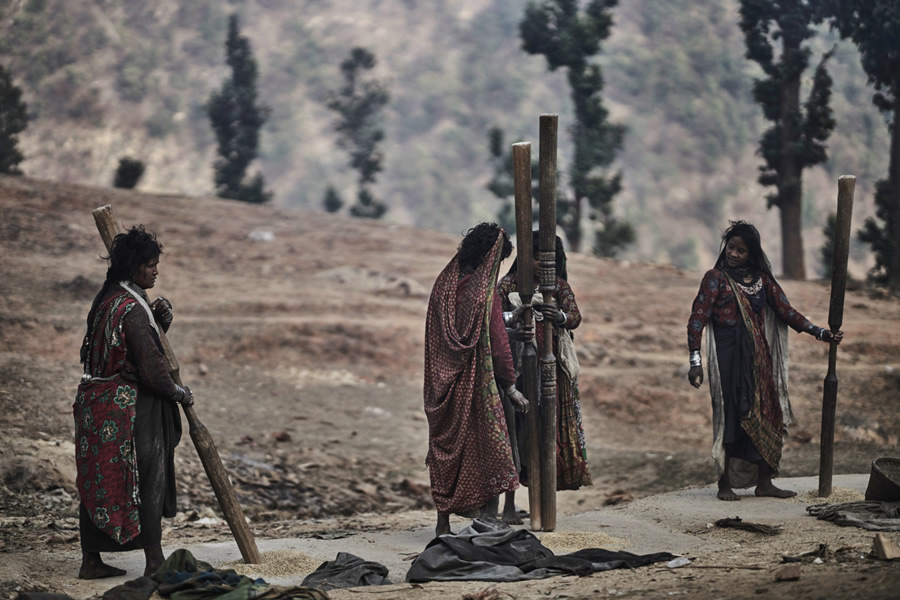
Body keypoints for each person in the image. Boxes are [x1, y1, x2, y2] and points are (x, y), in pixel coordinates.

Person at [687, 221, 843, 501]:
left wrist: (820, 332)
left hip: (759, 360)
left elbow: (786, 311)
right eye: (731, 248)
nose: (734, 254)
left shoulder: (762, 280)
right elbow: (697, 318)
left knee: (766, 414)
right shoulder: (715, 278)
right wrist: (695, 360)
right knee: (731, 416)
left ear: (752, 254)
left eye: (741, 250)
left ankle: (764, 482)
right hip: (727, 358)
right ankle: (725, 484)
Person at [74, 225, 193, 578]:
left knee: (98, 481)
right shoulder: (132, 310)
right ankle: (154, 561)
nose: (156, 271)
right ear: (134, 268)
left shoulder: (107, 300)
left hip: (96, 409)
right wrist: (179, 393)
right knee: (143, 480)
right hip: (129, 412)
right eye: (150, 265)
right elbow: (153, 371)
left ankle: (91, 560)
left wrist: (159, 325)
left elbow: (117, 351)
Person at [423, 222, 529, 536]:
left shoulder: (443, 285)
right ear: (491, 259)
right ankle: (488, 518)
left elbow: (453, 332)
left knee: (449, 455)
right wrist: (511, 387)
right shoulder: (484, 295)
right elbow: (495, 343)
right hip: (480, 386)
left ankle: (443, 522)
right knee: (492, 451)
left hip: (443, 387)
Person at [498, 232, 592, 523]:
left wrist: (559, 316)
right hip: (518, 370)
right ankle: (509, 505)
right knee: (516, 433)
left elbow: (575, 316)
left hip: (552, 372)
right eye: (537, 257)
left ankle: (542, 504)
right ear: (526, 258)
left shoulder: (559, 287)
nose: (542, 264)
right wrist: (514, 320)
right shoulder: (509, 285)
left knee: (545, 434)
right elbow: (494, 318)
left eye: (548, 259)